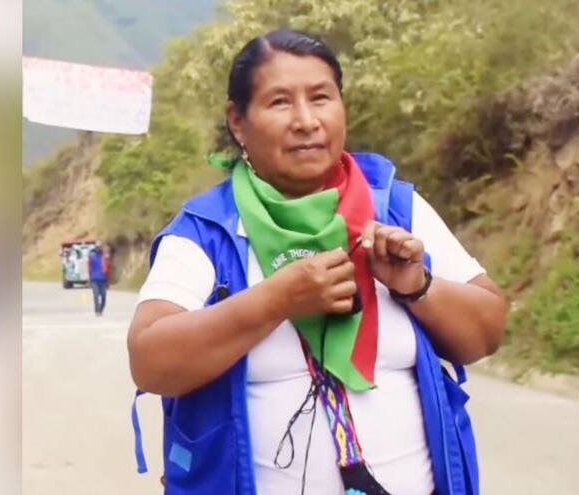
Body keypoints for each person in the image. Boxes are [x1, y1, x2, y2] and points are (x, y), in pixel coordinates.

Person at [128, 29, 507, 495]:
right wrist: (277, 299)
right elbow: (149, 361)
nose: (306, 121)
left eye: (321, 97)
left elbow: (486, 330)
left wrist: (417, 285)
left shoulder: (396, 208)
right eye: (280, 102)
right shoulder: (207, 231)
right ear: (238, 122)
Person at [88, 241, 107, 316]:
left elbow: (107, 267)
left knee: (103, 296)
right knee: (96, 296)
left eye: (100, 247)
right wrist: (89, 277)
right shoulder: (91, 256)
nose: (99, 248)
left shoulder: (104, 256)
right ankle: (97, 311)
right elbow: (89, 267)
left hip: (102, 279)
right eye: (97, 247)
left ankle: (101, 309)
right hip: (94, 279)